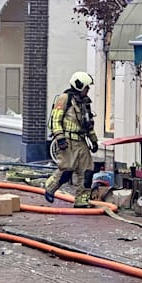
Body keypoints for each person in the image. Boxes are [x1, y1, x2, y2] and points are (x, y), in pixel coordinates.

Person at [44, 71, 98, 207]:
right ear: (79, 86)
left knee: (87, 171)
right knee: (67, 169)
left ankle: (82, 200)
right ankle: (49, 188)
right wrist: (60, 138)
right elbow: (55, 120)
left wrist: (94, 140)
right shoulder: (64, 99)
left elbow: (89, 124)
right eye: (87, 87)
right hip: (67, 141)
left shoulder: (85, 103)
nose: (88, 90)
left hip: (81, 141)